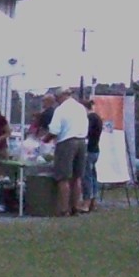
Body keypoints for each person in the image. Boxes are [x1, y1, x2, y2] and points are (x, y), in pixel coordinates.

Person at [48, 86, 90, 216]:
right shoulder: (81, 108)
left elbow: (54, 130)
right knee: (77, 177)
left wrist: (45, 140)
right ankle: (75, 207)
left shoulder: (61, 110)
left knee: (63, 177)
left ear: (61, 96)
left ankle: (64, 209)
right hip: (82, 141)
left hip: (67, 142)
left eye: (56, 98)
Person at [82, 101, 104, 213]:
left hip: (89, 150)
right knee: (93, 176)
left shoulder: (90, 119)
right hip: (95, 150)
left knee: (87, 177)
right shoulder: (97, 118)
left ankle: (87, 202)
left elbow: (86, 134)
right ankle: (94, 201)